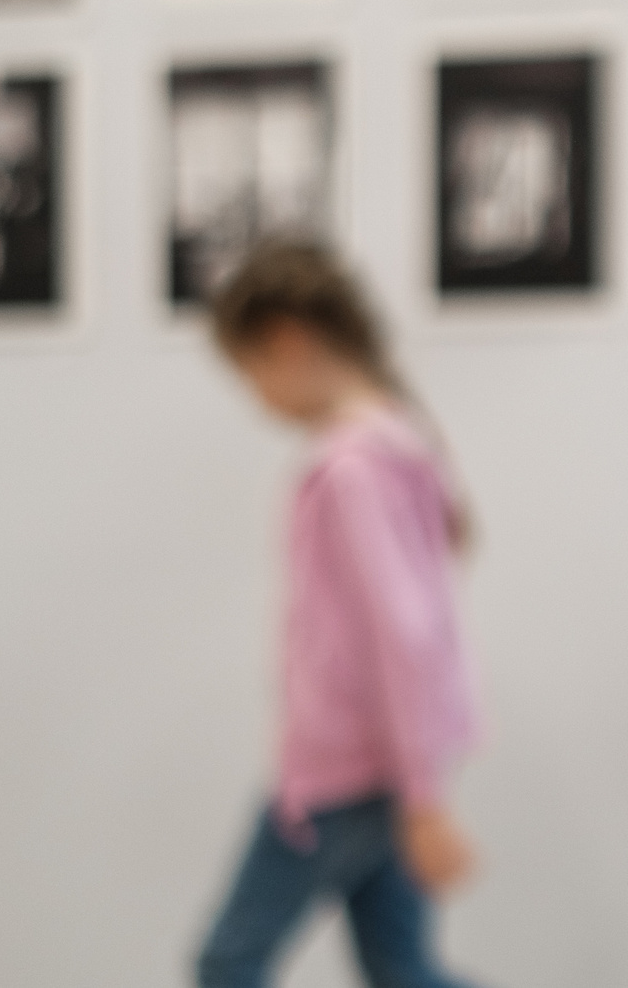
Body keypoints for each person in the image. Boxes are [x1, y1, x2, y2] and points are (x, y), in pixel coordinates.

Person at [195, 240, 484, 988]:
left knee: (228, 963)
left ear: (288, 341)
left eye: (250, 374)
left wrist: (425, 800)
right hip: (384, 767)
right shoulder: (399, 444)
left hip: (341, 774)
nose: (257, 398)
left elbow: (406, 631)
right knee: (403, 968)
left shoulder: (352, 470)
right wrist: (418, 785)